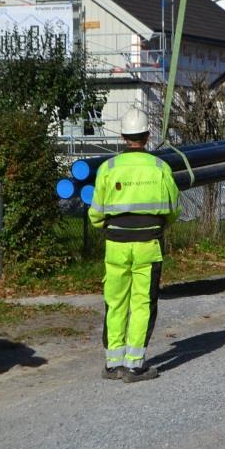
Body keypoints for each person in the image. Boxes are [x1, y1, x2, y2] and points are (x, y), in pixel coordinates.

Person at [88, 108, 179, 383]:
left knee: (115, 302)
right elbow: (173, 208)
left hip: (115, 245)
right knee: (142, 303)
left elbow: (96, 214)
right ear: (148, 136)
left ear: (123, 136)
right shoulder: (160, 168)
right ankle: (134, 366)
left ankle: (112, 363)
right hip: (148, 246)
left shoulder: (108, 168)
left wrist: (107, 225)